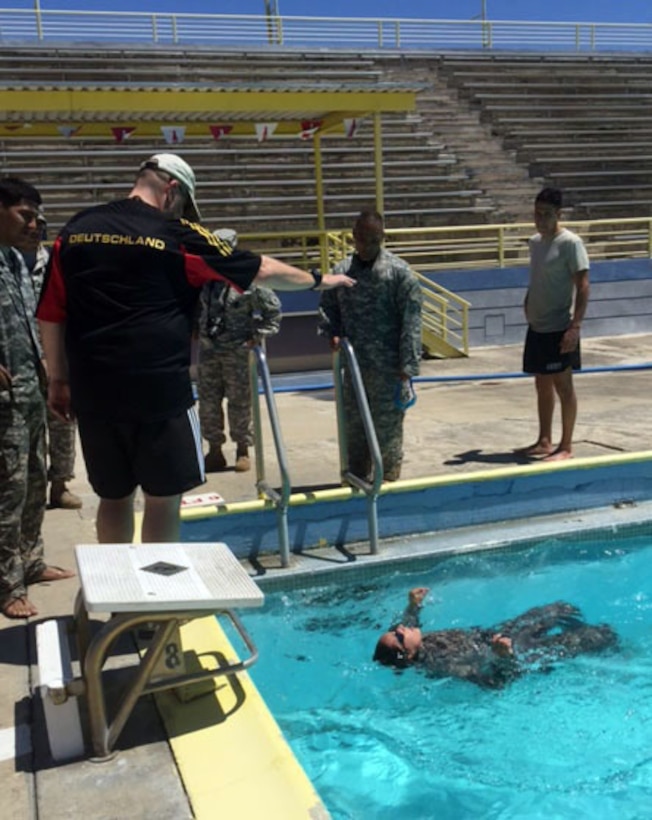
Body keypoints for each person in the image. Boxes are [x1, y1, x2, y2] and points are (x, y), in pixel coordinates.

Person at [37, 153, 354, 545]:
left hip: (94, 388)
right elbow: (262, 271)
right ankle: (158, 601)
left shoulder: (77, 229)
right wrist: (321, 280)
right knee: (162, 500)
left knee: (114, 497)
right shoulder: (176, 234)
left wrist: (58, 379)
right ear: (172, 190)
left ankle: (120, 598)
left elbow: (51, 312)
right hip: (159, 391)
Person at [0, 177, 74, 619]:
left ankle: (31, 562)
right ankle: (6, 585)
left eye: (37, 217)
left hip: (27, 396)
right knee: (6, 493)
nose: (35, 225)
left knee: (32, 485)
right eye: (25, 215)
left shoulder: (14, 260)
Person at [318, 208, 422, 481]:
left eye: (373, 240)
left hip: (388, 368)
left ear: (382, 237)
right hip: (354, 368)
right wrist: (332, 332)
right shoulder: (341, 272)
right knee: (354, 426)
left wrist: (408, 365)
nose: (367, 246)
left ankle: (388, 478)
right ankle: (355, 476)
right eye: (362, 239)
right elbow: (328, 308)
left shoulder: (399, 274)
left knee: (387, 427)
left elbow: (411, 321)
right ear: (353, 236)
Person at [373, 587, 618, 688]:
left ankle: (577, 637)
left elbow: (410, 625)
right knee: (601, 635)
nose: (401, 629)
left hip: (495, 633)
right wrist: (505, 657)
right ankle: (615, 655)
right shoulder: (445, 665)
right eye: (398, 636)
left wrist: (413, 606)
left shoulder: (415, 640)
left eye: (396, 630)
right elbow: (495, 683)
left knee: (562, 608)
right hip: (514, 652)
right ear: (409, 654)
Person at [14, 209, 82, 510]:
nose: (34, 231)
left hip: (57, 359)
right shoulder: (8, 265)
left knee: (63, 426)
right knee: (25, 430)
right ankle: (30, 488)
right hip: (21, 363)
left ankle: (60, 485)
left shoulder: (56, 263)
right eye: (29, 225)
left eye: (40, 226)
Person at [199, 228, 281, 473]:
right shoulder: (204, 277)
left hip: (236, 351)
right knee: (208, 402)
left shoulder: (249, 279)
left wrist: (256, 336)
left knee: (240, 403)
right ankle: (214, 450)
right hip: (209, 351)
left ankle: (242, 449)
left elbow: (273, 312)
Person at [521, 187, 590, 462]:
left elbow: (583, 286)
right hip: (537, 326)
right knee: (541, 384)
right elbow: (537, 277)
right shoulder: (536, 242)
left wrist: (576, 326)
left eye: (546, 214)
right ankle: (544, 440)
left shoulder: (570, 243)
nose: (540, 219)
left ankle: (566, 445)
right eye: (537, 214)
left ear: (558, 214)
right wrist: (527, 301)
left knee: (564, 386)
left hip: (559, 327)